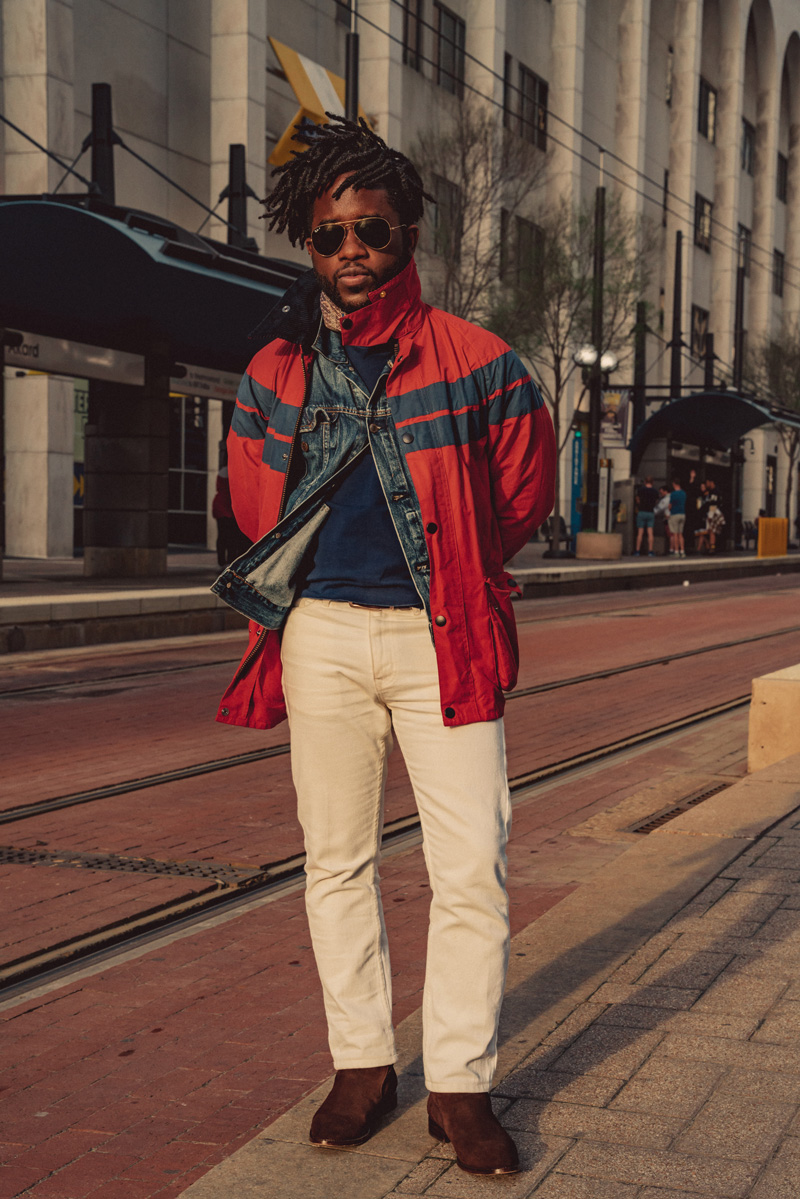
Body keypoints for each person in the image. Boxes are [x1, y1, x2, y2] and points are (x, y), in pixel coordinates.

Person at [211, 115, 556, 1176]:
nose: (351, 249)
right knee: (336, 860)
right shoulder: (276, 367)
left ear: (408, 231)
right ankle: (362, 1061)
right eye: (329, 234)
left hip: (436, 633)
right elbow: (247, 496)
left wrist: (447, 569)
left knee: (471, 870)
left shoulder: (480, 363)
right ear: (307, 245)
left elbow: (522, 497)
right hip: (319, 634)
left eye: (371, 228)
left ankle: (457, 1082)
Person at [634, 475, 659, 555]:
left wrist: (640, 504)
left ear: (645, 482)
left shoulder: (640, 490)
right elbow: (656, 502)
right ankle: (650, 551)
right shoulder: (655, 491)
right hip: (650, 512)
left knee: (640, 532)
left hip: (641, 511)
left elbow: (637, 500)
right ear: (652, 482)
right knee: (650, 532)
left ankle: (637, 550)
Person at [667, 478, 687, 557]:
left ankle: (676, 551)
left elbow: (670, 505)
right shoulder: (684, 493)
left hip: (675, 514)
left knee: (675, 534)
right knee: (680, 534)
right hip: (682, 514)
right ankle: (682, 551)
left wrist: (669, 509)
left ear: (674, 484)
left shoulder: (673, 494)